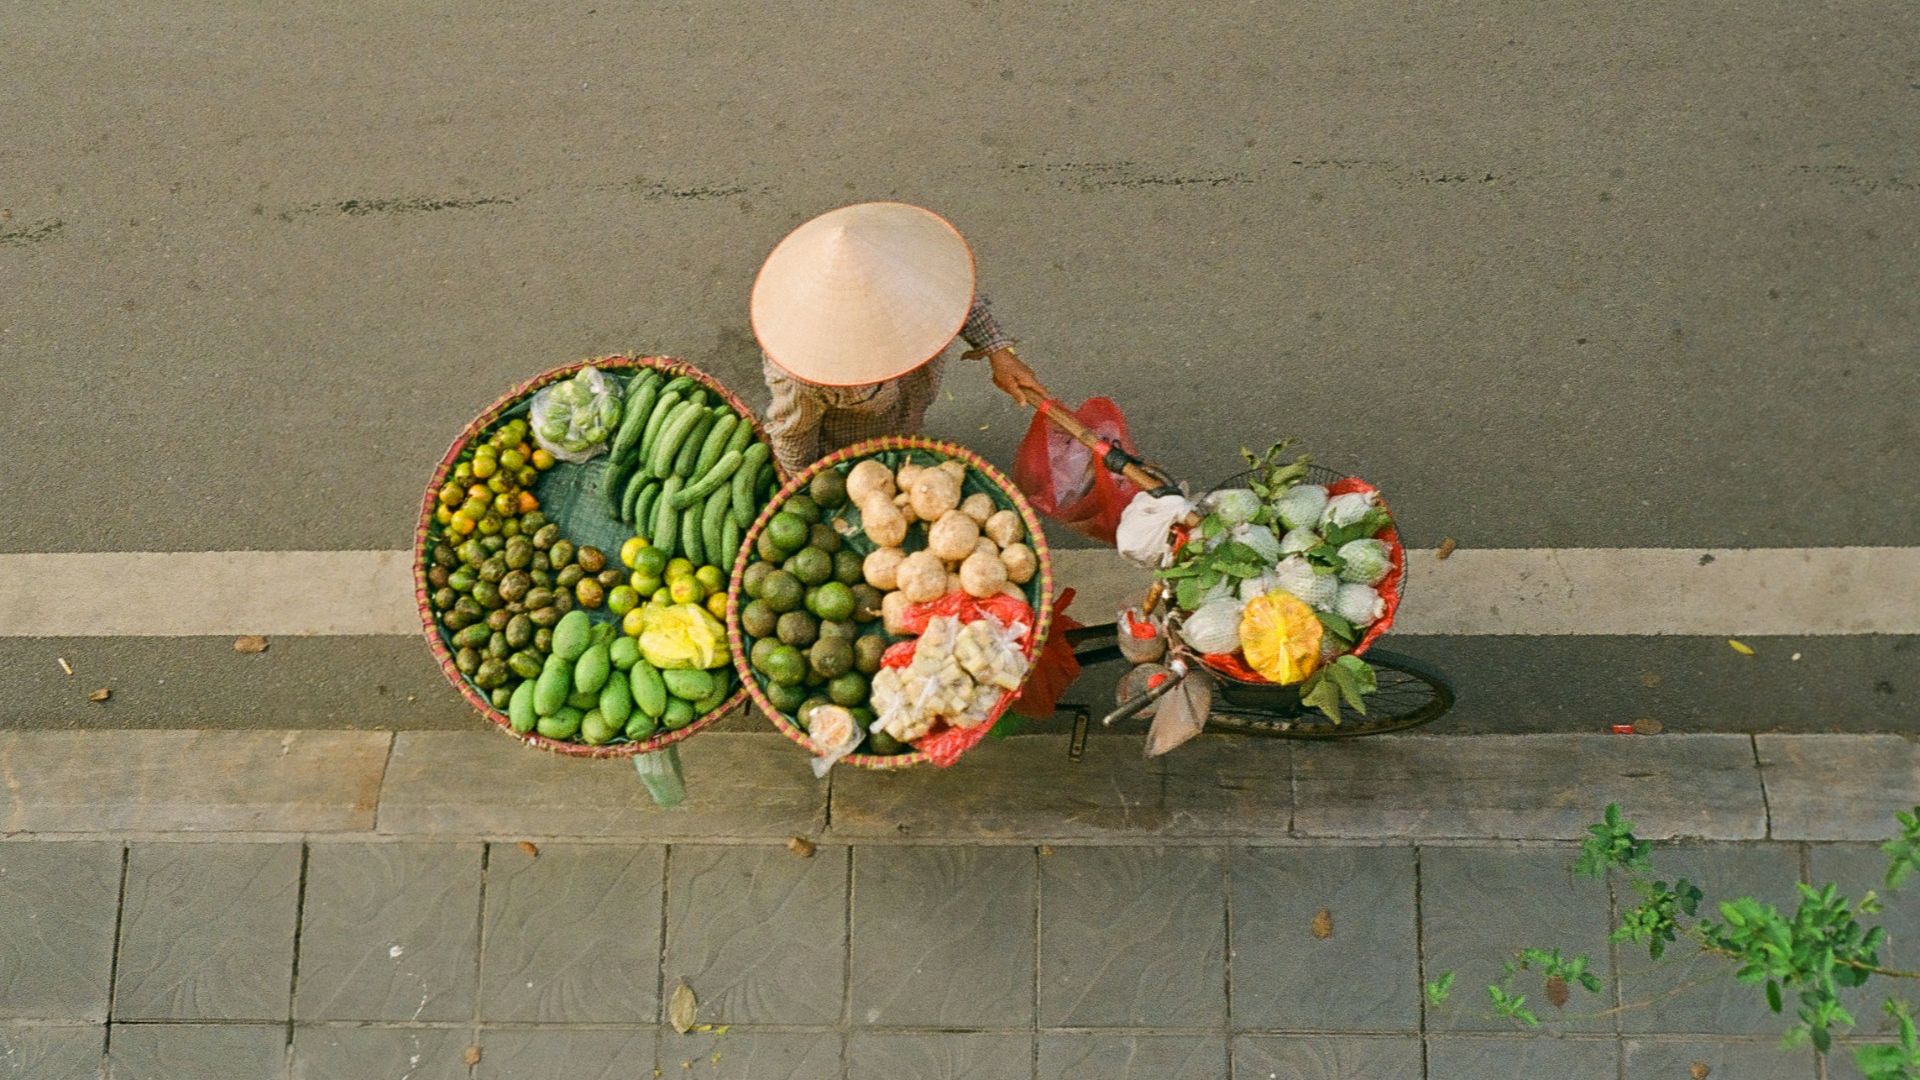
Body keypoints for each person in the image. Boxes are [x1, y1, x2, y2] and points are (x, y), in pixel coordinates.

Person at [749, 201, 1047, 476]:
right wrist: (806, 489)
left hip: (908, 410)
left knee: (908, 434)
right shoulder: (805, 373)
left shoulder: (914, 272)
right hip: (850, 447)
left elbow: (955, 298)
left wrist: (998, 351)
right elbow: (793, 437)